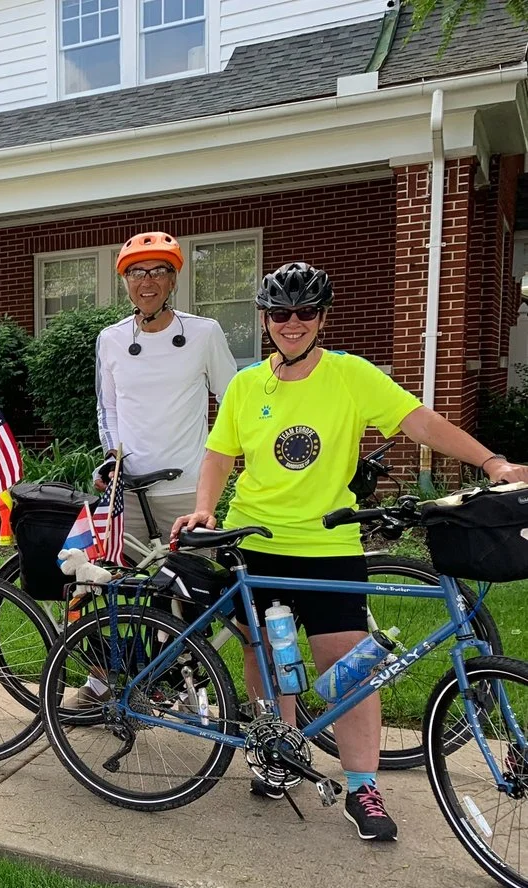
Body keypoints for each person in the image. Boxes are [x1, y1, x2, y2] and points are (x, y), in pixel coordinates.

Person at [170, 262, 528, 842]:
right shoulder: (244, 385)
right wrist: (207, 506)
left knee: (352, 668)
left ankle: (363, 785)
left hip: (328, 545)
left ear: (321, 319)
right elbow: (218, 454)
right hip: (253, 544)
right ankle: (273, 756)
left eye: (304, 312)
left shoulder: (351, 376)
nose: (292, 323)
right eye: (280, 313)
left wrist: (491, 463)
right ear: (265, 320)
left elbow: (420, 422)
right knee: (266, 657)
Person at [95, 231, 237, 541]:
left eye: (158, 271)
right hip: (129, 490)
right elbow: (107, 407)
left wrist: (216, 459)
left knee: (188, 586)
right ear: (126, 282)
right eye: (136, 272)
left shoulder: (205, 333)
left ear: (172, 281)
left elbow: (232, 400)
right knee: (122, 584)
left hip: (187, 488)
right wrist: (111, 459)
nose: (147, 282)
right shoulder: (110, 340)